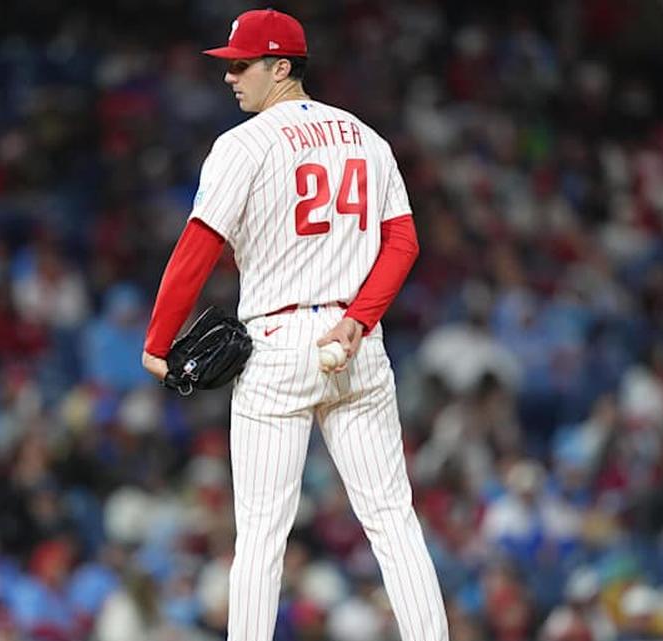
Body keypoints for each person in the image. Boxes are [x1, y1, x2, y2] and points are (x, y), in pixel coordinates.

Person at [140, 8, 448, 640]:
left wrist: (158, 341)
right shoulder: (366, 137)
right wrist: (359, 320)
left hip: (278, 347)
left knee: (260, 536)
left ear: (280, 67)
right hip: (355, 344)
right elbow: (403, 242)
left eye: (241, 65)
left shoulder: (244, 145)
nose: (229, 77)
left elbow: (197, 248)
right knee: (394, 521)